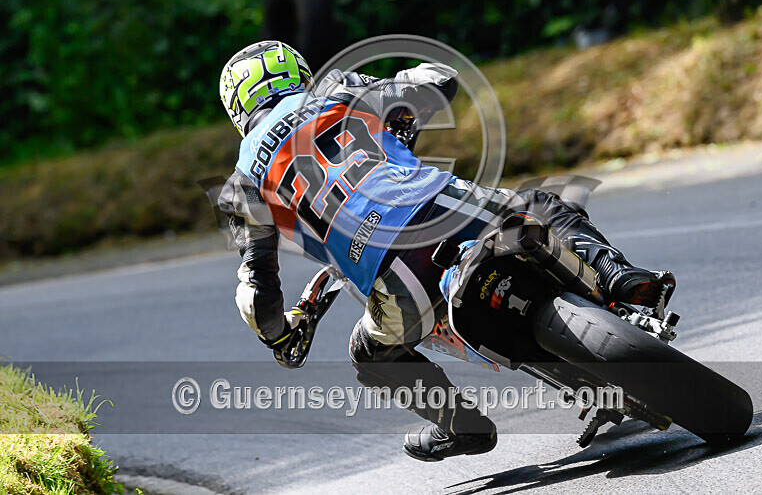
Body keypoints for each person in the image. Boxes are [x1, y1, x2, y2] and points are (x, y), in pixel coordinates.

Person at [217, 41, 676, 462]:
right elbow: (437, 80)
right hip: (446, 207)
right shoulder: (338, 90)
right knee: (541, 205)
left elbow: (258, 292)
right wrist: (399, 119)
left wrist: (279, 336)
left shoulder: (241, 184)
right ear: (298, 73)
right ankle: (621, 279)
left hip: (391, 276)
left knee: (371, 357)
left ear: (239, 109)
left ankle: (461, 426)